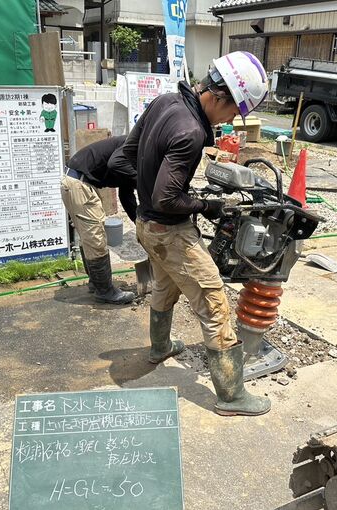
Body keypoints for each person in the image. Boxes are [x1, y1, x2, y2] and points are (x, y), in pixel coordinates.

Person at [123, 51, 270, 416]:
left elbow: (127, 154)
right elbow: (167, 196)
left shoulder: (165, 102)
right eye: (234, 111)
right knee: (214, 303)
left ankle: (160, 347)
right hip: (170, 231)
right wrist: (206, 205)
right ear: (218, 96)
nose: (232, 120)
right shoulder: (190, 130)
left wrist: (148, 200)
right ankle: (232, 396)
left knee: (165, 286)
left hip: (147, 225)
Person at [61, 135, 136, 304]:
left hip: (78, 183)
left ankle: (96, 282)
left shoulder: (133, 150)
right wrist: (144, 181)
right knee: (95, 238)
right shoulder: (136, 145)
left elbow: (126, 194)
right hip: (79, 184)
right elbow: (115, 164)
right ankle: (105, 291)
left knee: (90, 236)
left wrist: (139, 222)